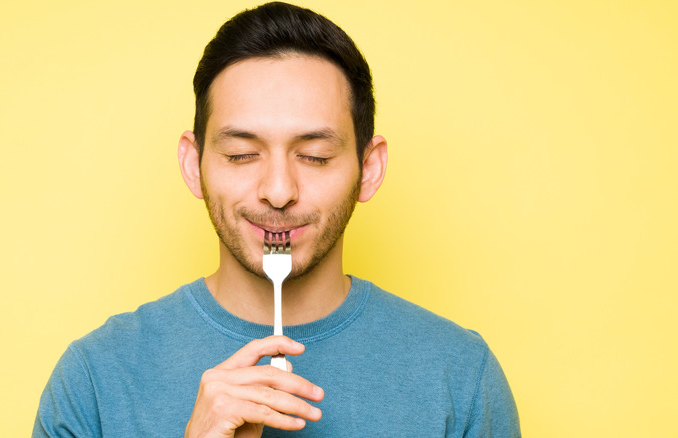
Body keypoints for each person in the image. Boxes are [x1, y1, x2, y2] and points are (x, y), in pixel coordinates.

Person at [32, 2, 520, 437]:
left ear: (368, 170)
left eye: (315, 156)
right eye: (243, 155)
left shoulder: (460, 377)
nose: (279, 192)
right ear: (193, 166)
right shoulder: (94, 380)